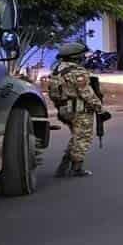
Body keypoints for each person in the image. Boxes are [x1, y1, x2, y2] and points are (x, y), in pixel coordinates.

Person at [49, 42, 105, 177]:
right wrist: (100, 109)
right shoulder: (77, 72)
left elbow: (52, 92)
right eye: (82, 56)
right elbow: (87, 94)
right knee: (83, 137)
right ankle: (76, 167)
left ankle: (64, 165)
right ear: (76, 57)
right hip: (78, 109)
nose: (84, 58)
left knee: (76, 136)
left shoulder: (57, 70)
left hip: (64, 110)